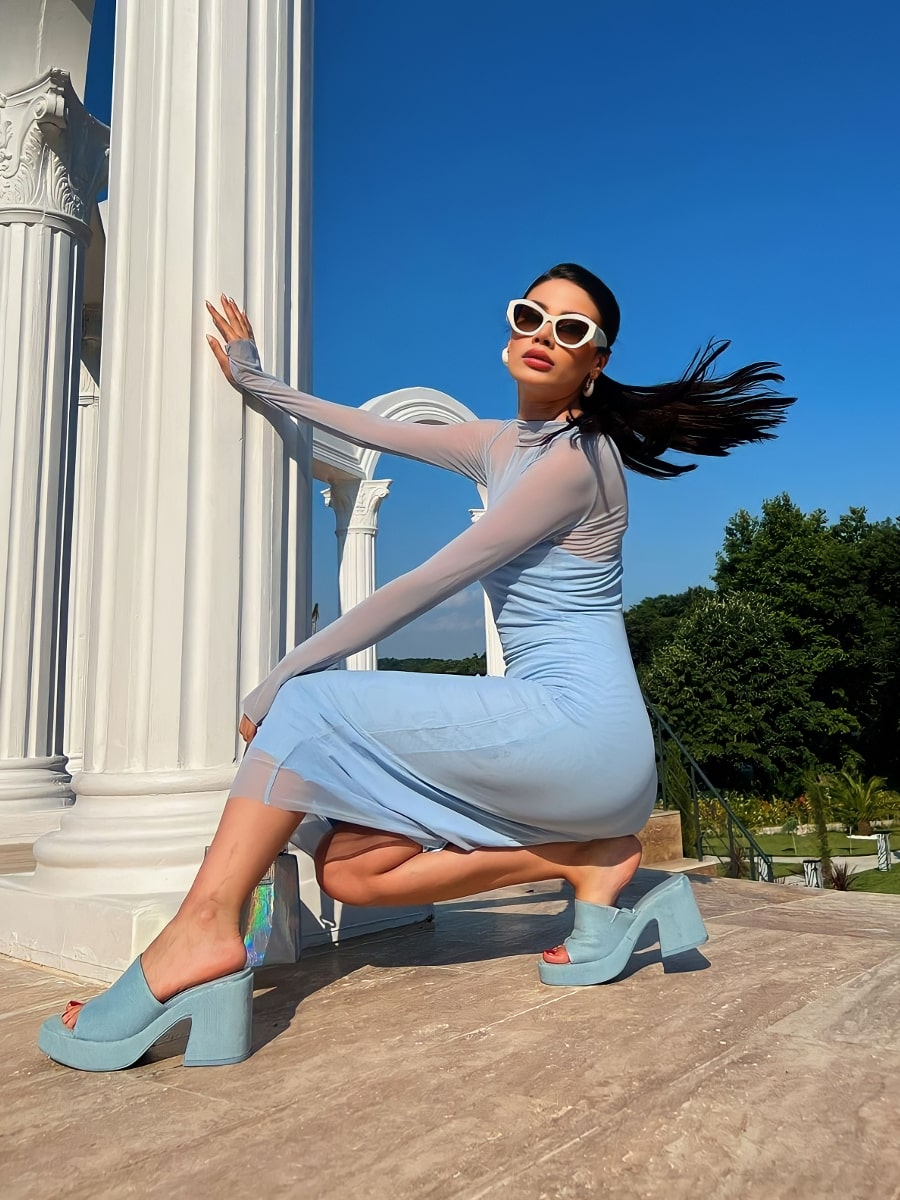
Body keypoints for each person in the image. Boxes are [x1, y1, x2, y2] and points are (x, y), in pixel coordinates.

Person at [39, 264, 794, 1071]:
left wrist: (283, 675)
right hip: (563, 743)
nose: (544, 336)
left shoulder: (575, 461)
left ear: (595, 361)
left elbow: (430, 580)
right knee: (351, 871)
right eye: (531, 316)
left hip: (586, 733)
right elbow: (368, 429)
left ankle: (204, 932)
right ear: (511, 329)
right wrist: (258, 382)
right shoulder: (498, 443)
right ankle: (585, 856)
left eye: (571, 330)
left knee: (309, 707)